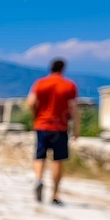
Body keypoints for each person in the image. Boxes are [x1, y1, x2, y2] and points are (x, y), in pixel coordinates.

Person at [26, 58, 79, 205]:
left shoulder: (40, 83)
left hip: (42, 125)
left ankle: (38, 179)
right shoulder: (69, 85)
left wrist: (36, 115)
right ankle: (55, 195)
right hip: (60, 128)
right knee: (57, 161)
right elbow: (74, 108)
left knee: (39, 156)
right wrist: (77, 129)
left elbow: (30, 102)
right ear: (63, 69)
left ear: (50, 68)